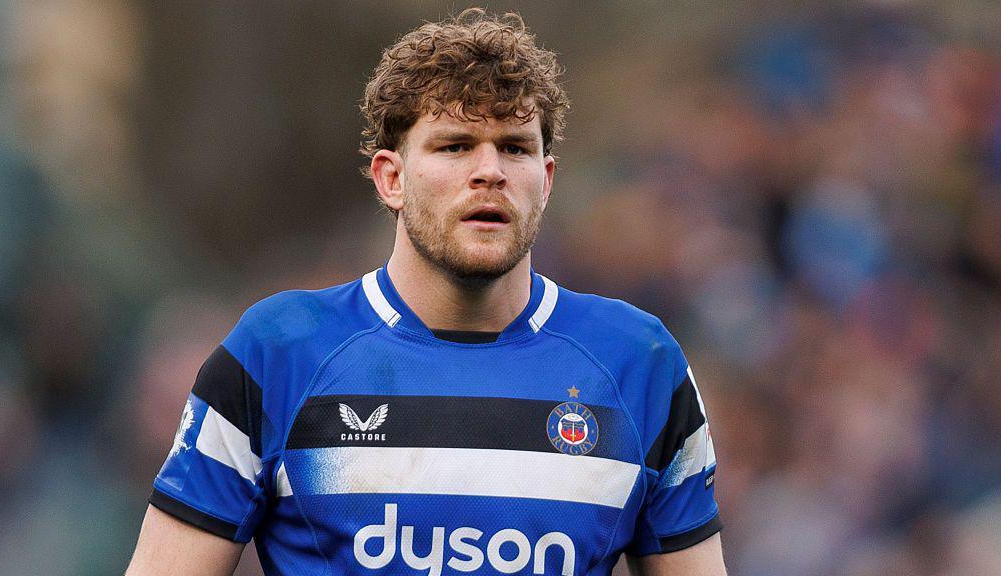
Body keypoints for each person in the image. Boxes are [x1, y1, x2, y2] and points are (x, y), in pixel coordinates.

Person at [126, 8, 726, 576]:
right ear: (392, 178)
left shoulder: (640, 364)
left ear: (545, 181)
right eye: (455, 145)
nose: (490, 170)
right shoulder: (278, 353)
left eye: (515, 147)